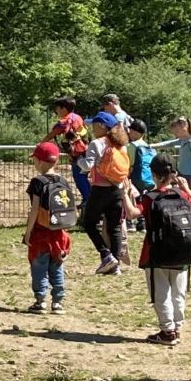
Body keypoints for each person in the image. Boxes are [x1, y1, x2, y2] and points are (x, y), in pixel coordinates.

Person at [138, 153, 191, 346]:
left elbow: (134, 213)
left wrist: (125, 194)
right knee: (178, 291)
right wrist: (186, 189)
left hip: (156, 252)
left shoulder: (150, 198)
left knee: (161, 291)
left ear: (153, 174)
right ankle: (177, 326)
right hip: (183, 251)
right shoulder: (181, 194)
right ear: (173, 173)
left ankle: (167, 331)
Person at [23, 141, 75, 315]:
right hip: (59, 234)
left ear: (39, 161)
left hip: (41, 233)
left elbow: (35, 209)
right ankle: (57, 302)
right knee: (57, 267)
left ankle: (40, 301)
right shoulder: (63, 181)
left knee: (39, 267)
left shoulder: (37, 182)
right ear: (56, 162)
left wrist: (28, 232)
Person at [79, 114, 135, 274]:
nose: (92, 128)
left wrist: (78, 160)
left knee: (89, 223)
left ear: (103, 126)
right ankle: (115, 265)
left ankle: (106, 255)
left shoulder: (96, 143)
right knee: (115, 227)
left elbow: (87, 166)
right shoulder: (121, 144)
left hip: (100, 189)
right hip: (117, 189)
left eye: (95, 125)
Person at [156, 116, 191, 185]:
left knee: (186, 193)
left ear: (184, 128)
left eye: (177, 131)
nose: (175, 134)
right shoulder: (182, 140)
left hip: (188, 174)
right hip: (181, 172)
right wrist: (154, 145)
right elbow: (169, 143)